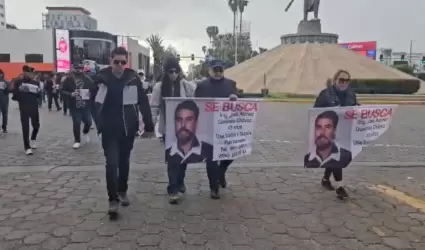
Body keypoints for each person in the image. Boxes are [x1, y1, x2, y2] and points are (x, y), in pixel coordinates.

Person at [94, 47, 154, 216]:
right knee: (112, 164)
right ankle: (112, 200)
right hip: (109, 129)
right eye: (116, 62)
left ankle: (122, 191)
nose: (120, 65)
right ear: (110, 60)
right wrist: (97, 121)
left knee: (124, 162)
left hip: (128, 128)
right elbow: (93, 102)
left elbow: (143, 102)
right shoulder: (101, 79)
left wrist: (148, 125)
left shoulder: (133, 78)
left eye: (123, 62)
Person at [150, 57, 197, 204]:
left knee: (183, 157)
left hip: (184, 129)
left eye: (176, 71)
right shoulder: (159, 87)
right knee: (172, 159)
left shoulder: (185, 85)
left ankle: (180, 181)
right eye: (171, 71)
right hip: (168, 129)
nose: (174, 74)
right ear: (166, 72)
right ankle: (173, 188)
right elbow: (155, 106)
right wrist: (150, 125)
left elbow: (197, 97)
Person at [194, 59, 238, 199]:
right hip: (208, 126)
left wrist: (235, 97)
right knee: (211, 159)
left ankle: (221, 173)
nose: (218, 73)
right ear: (209, 70)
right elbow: (196, 105)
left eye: (220, 70)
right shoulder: (202, 86)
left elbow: (240, 102)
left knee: (231, 154)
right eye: (215, 70)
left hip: (227, 127)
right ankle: (214, 187)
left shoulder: (231, 84)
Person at [313, 69, 358, 199]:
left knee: (338, 157)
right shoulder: (325, 94)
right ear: (335, 80)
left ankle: (326, 179)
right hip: (328, 132)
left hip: (345, 131)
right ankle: (340, 187)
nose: (344, 82)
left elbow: (354, 108)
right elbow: (315, 111)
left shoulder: (351, 94)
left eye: (347, 80)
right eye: (341, 80)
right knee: (336, 157)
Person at [61, 65, 94, 149]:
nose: (78, 70)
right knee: (77, 122)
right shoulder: (69, 79)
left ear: (83, 69)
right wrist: (70, 94)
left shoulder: (87, 79)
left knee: (89, 122)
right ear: (73, 69)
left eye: (80, 68)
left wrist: (90, 95)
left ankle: (85, 132)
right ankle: (77, 140)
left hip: (85, 105)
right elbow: (62, 90)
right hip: (74, 105)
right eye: (76, 68)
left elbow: (93, 90)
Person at [12, 65, 41, 155]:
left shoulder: (35, 82)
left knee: (36, 125)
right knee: (25, 127)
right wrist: (19, 91)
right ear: (24, 72)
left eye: (30, 73)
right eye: (27, 72)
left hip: (33, 106)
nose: (29, 74)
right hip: (23, 107)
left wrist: (37, 91)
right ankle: (27, 147)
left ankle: (33, 138)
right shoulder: (18, 82)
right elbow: (14, 96)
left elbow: (39, 95)